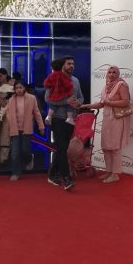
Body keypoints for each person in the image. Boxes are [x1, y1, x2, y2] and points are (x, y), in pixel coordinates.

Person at [82, 65, 131, 183]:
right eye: (110, 72)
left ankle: (115, 174)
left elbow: (126, 102)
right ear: (107, 74)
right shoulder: (106, 86)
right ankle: (108, 171)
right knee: (106, 147)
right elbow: (102, 103)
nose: (112, 74)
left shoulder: (121, 84)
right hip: (107, 119)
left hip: (117, 119)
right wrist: (87, 106)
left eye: (114, 72)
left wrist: (110, 103)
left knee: (115, 147)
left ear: (118, 74)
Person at [45, 55, 83, 191]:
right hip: (57, 119)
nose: (71, 66)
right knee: (61, 148)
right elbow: (47, 99)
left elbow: (80, 97)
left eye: (73, 64)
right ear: (62, 65)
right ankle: (66, 178)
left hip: (71, 119)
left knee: (62, 148)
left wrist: (78, 103)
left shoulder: (76, 81)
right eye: (69, 64)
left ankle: (52, 173)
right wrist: (65, 102)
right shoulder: (54, 78)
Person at [5, 81, 45, 181]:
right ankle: (16, 172)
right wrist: (9, 124)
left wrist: (41, 126)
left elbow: (37, 113)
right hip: (15, 129)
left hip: (26, 129)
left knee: (25, 150)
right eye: (16, 88)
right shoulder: (11, 100)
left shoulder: (32, 98)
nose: (19, 90)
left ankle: (29, 158)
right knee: (14, 153)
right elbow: (8, 114)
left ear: (24, 88)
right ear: (14, 89)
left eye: (20, 87)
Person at [43, 58, 76, 126]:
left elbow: (46, 84)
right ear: (62, 66)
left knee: (52, 105)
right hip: (63, 94)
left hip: (54, 95)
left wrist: (51, 86)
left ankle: (49, 116)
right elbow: (68, 84)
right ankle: (69, 118)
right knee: (69, 104)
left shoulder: (51, 75)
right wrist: (71, 88)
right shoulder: (63, 75)